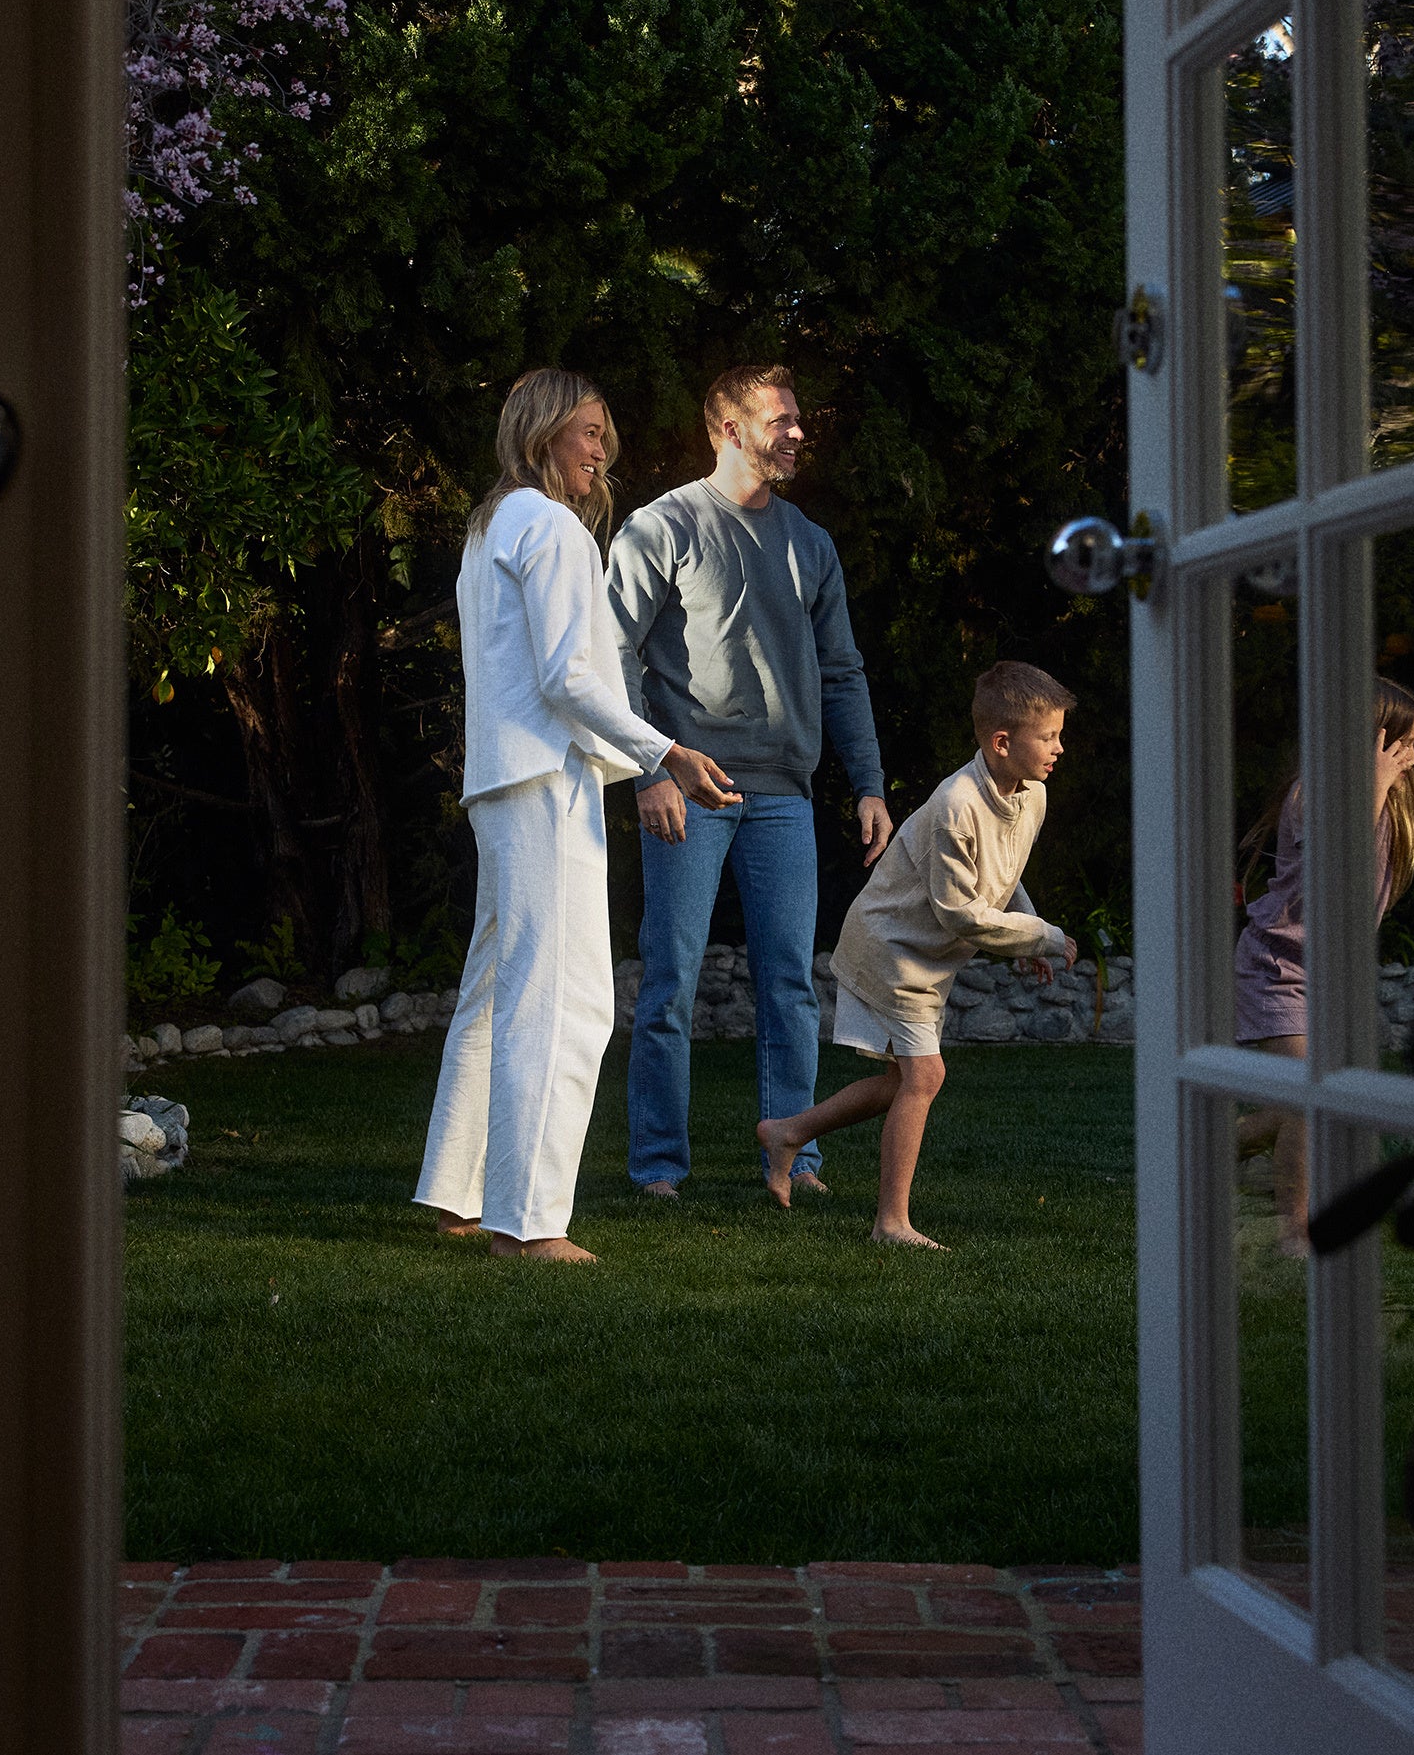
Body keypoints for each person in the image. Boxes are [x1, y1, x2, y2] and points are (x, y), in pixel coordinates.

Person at [412, 369, 742, 1264]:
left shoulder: (491, 529)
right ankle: (529, 1222)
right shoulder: (549, 526)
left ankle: (458, 1191)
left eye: (606, 435)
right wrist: (664, 750)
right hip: (546, 781)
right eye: (588, 432)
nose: (602, 450)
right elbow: (568, 677)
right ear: (543, 430)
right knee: (565, 1002)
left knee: (496, 989)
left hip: (502, 781)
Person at [608, 364, 890, 1202]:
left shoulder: (810, 542)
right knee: (670, 982)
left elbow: (842, 670)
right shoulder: (662, 527)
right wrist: (650, 765)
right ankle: (659, 1165)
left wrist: (868, 783)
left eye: (799, 418)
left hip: (785, 796)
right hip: (689, 789)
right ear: (727, 429)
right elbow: (610, 652)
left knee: (790, 986)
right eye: (782, 418)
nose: (799, 431)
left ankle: (794, 1156)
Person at [753, 661, 1076, 1250]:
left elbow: (1002, 877)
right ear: (1002, 743)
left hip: (926, 956)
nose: (1059, 747)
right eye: (1048, 736)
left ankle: (787, 1133)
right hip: (890, 947)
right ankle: (890, 1224)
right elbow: (960, 912)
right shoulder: (956, 804)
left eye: (1058, 734)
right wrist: (1045, 936)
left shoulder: (1032, 797)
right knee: (925, 1076)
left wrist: (1027, 931)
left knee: (900, 1080)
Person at [1232, 676, 1414, 1254]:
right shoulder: (1310, 793)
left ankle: (1217, 1150)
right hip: (1279, 967)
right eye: (1405, 745)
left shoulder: (1385, 790)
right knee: (1308, 1097)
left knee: (1298, 1103)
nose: (1413, 757)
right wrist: (1377, 781)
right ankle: (1296, 1228)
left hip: (1326, 974)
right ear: (1372, 743)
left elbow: (1410, 807)